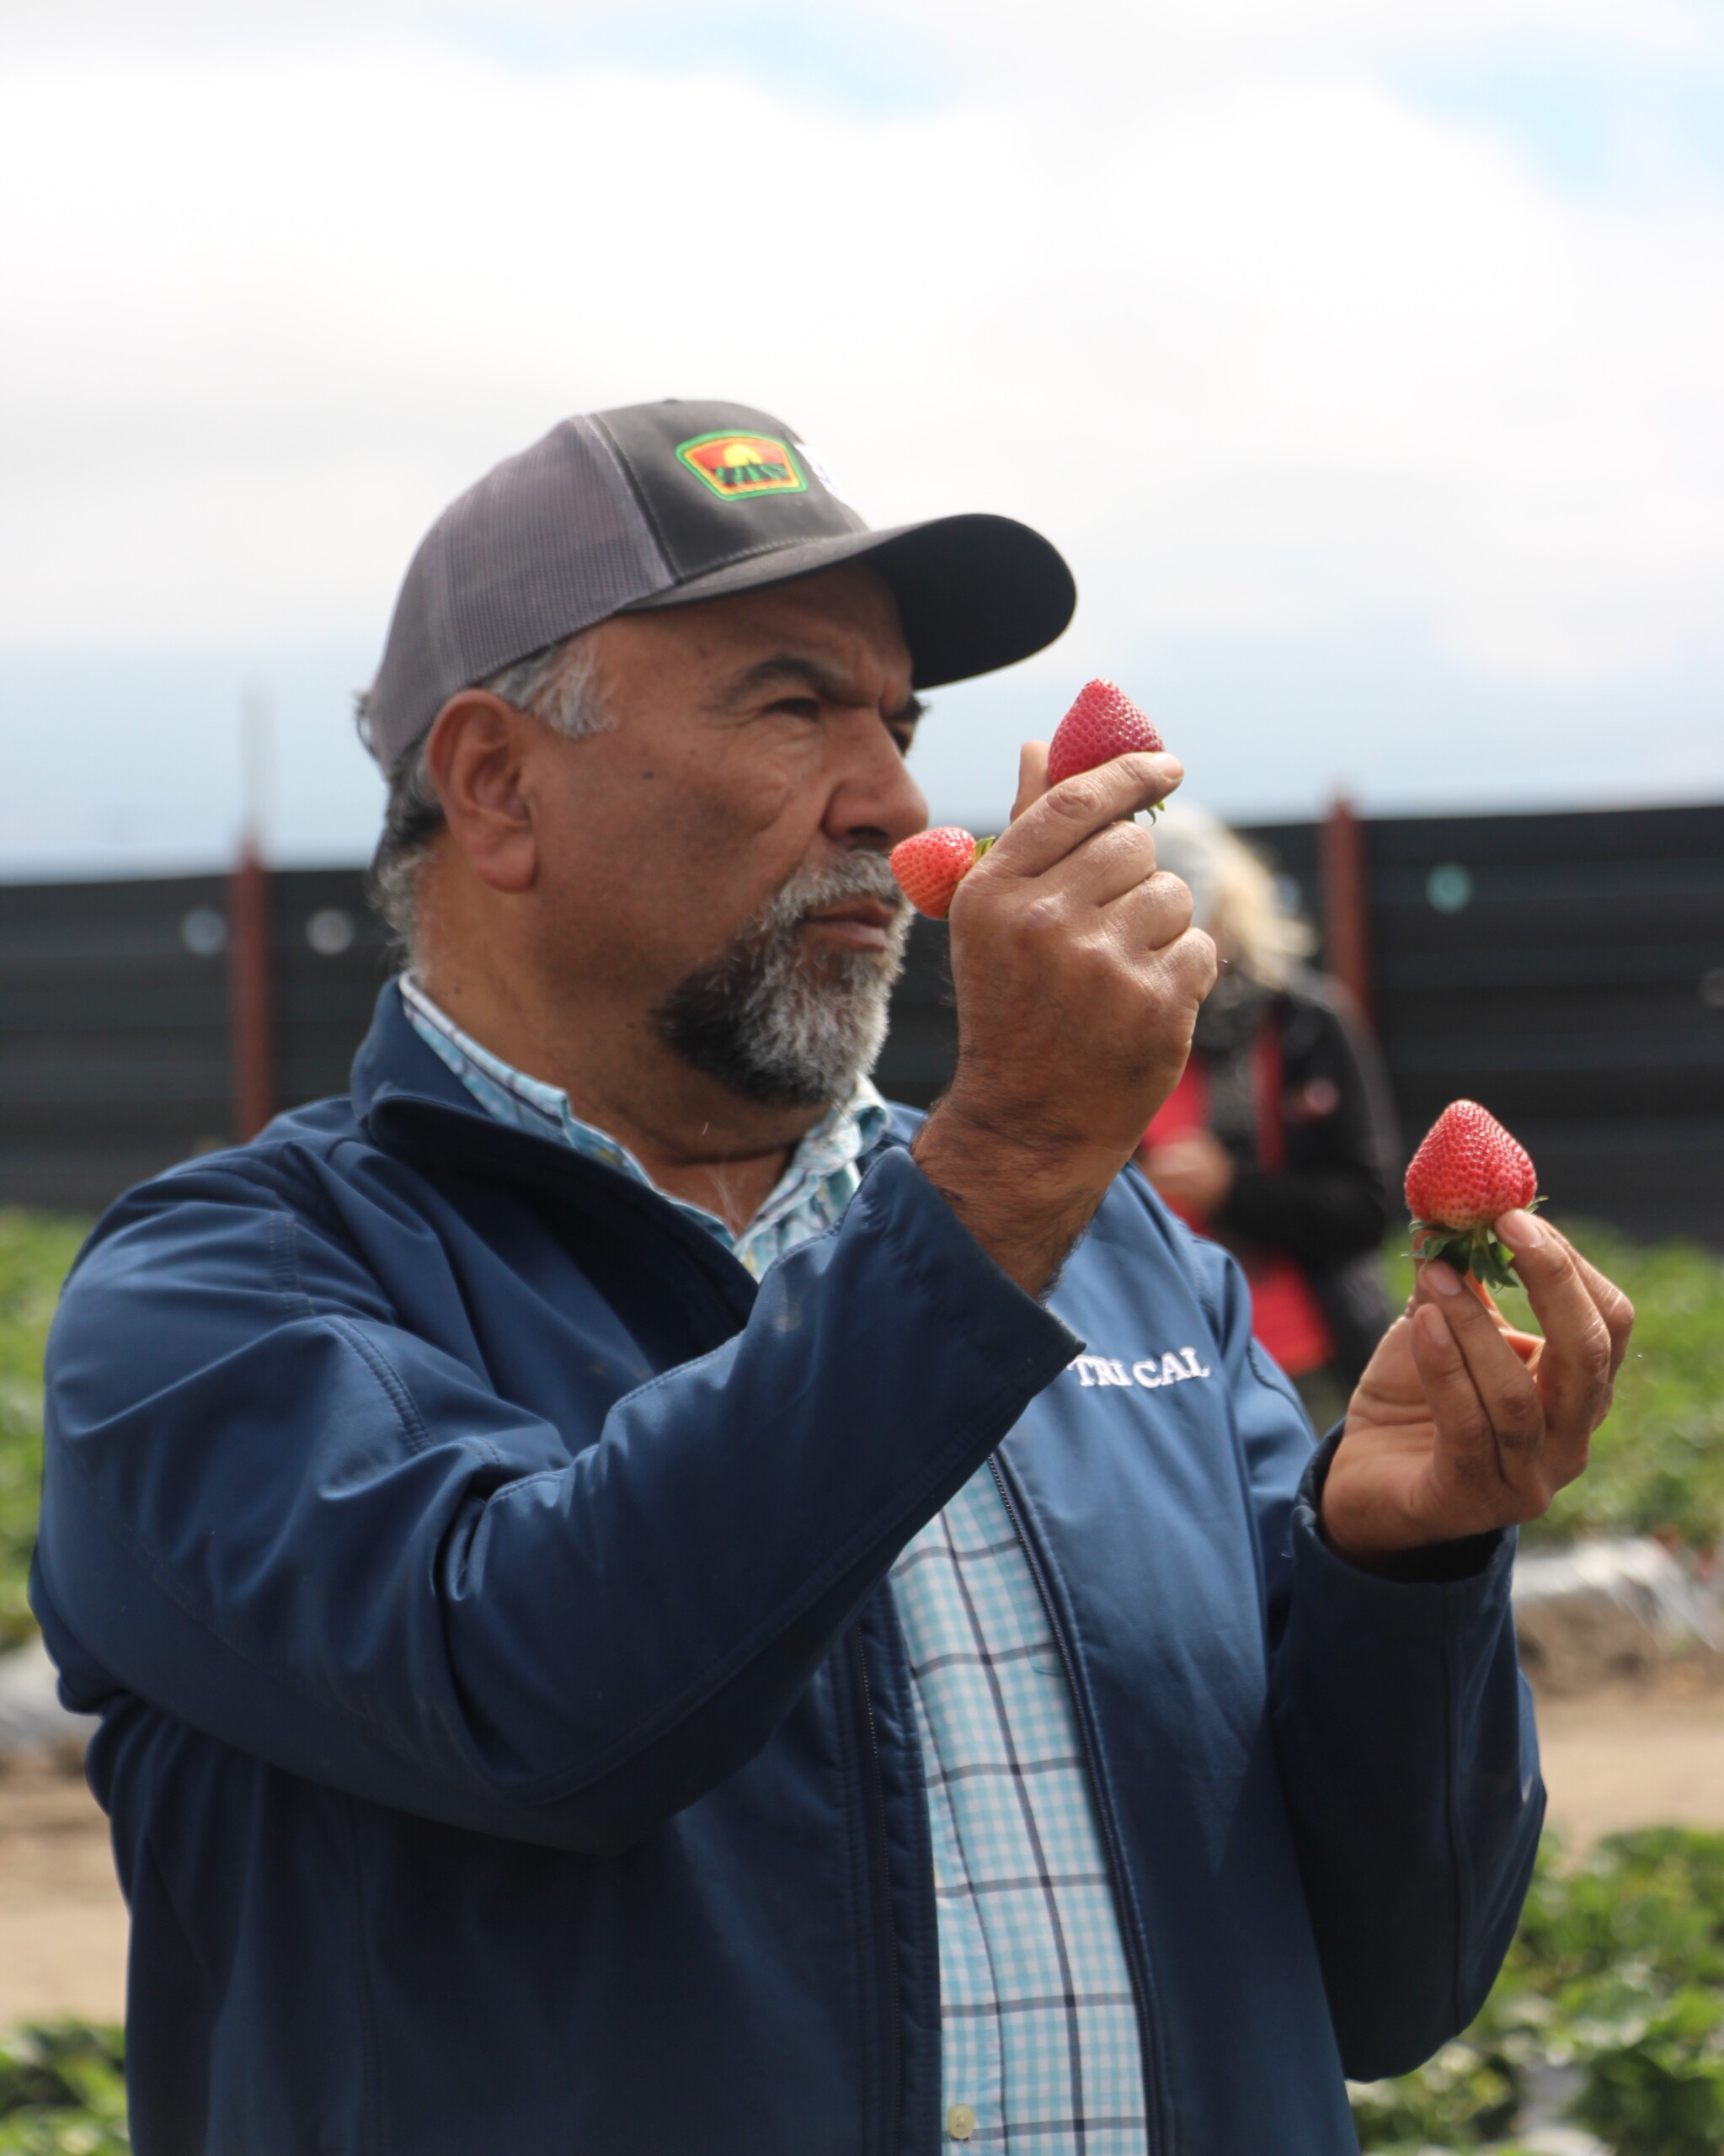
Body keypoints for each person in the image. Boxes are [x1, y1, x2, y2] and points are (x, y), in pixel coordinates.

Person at [33, 400, 1633, 2156]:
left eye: (899, 722)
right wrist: (1009, 1166)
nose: (889, 799)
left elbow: (1394, 1974)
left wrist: (1397, 1563)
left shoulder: (1123, 1261)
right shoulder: (224, 1291)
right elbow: (535, 1694)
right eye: (794, 704)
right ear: (496, 784)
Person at [1136, 803, 1400, 1435]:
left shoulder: (1305, 1022)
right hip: (1153, 1369)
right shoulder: (1110, 1034)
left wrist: (1231, 1190)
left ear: (1232, 906)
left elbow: (1368, 1205)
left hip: (1297, 1363)